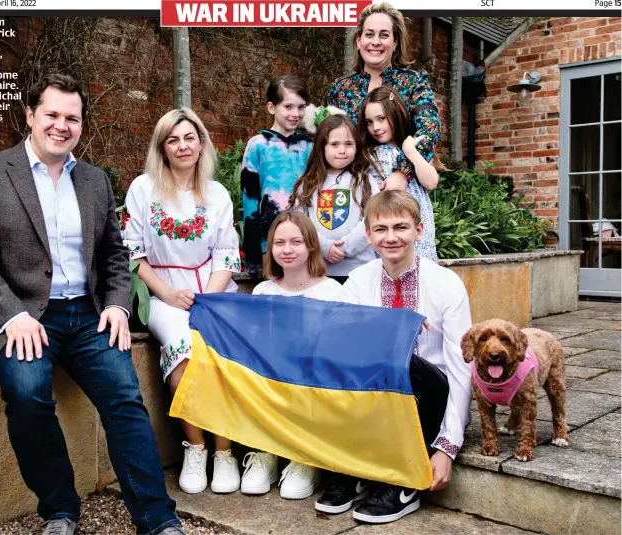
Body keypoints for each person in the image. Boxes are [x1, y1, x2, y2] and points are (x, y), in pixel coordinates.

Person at [0, 74, 184, 535]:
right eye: (52, 114)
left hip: (89, 315)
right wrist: (11, 313)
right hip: (23, 314)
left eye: (72, 117)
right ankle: (60, 509)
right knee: (27, 394)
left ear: (81, 124)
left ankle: (158, 521)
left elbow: (114, 255)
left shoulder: (94, 181)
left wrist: (118, 305)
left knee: (124, 397)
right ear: (31, 116)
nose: (62, 125)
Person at [316, 190, 471, 524]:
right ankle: (355, 469)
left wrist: (446, 448)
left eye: (400, 227)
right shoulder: (360, 279)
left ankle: (401, 483)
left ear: (418, 230)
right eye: (381, 229)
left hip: (430, 394)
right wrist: (396, 325)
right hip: (377, 395)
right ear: (369, 236)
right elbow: (338, 336)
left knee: (404, 360)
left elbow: (461, 370)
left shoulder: (446, 284)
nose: (391, 237)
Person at [121, 108, 242, 496]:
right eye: (173, 139)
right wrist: (169, 294)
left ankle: (224, 451)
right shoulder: (143, 189)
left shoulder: (217, 193)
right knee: (183, 348)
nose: (182, 145)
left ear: (201, 143)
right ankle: (195, 447)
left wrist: (207, 298)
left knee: (220, 351)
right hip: (161, 292)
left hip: (212, 290)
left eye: (189, 137)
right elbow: (133, 255)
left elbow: (226, 254)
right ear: (163, 147)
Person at [242, 211, 345, 499]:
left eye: (296, 242)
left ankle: (304, 457)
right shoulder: (263, 291)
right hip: (272, 380)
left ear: (311, 245)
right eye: (279, 242)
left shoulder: (332, 292)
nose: (286, 250)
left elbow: (337, 347)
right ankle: (267, 453)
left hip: (314, 383)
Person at [326, 2, 441, 193]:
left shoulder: (413, 82)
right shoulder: (340, 88)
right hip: (350, 188)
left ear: (395, 43)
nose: (376, 42)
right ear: (358, 41)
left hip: (401, 188)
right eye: (369, 34)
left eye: (384, 35)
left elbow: (429, 128)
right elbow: (326, 138)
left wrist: (401, 173)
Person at [288, 115, 378, 283]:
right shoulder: (307, 183)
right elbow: (299, 221)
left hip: (360, 269)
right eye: (334, 144)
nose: (342, 150)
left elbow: (374, 218)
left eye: (348, 144)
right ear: (322, 147)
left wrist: (347, 247)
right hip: (318, 269)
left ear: (357, 146)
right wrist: (323, 247)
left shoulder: (365, 182)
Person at [241, 75, 314, 275]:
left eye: (301, 107)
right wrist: (254, 249)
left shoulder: (309, 146)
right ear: (272, 107)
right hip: (269, 238)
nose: (295, 113)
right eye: (288, 107)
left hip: (304, 236)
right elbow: (249, 199)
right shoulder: (257, 144)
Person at [359, 86, 438, 261]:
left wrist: (411, 152)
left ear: (396, 114)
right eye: (369, 122)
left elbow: (431, 182)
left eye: (381, 118)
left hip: (414, 222)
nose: (376, 127)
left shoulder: (414, 148)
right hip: (384, 225)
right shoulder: (367, 154)